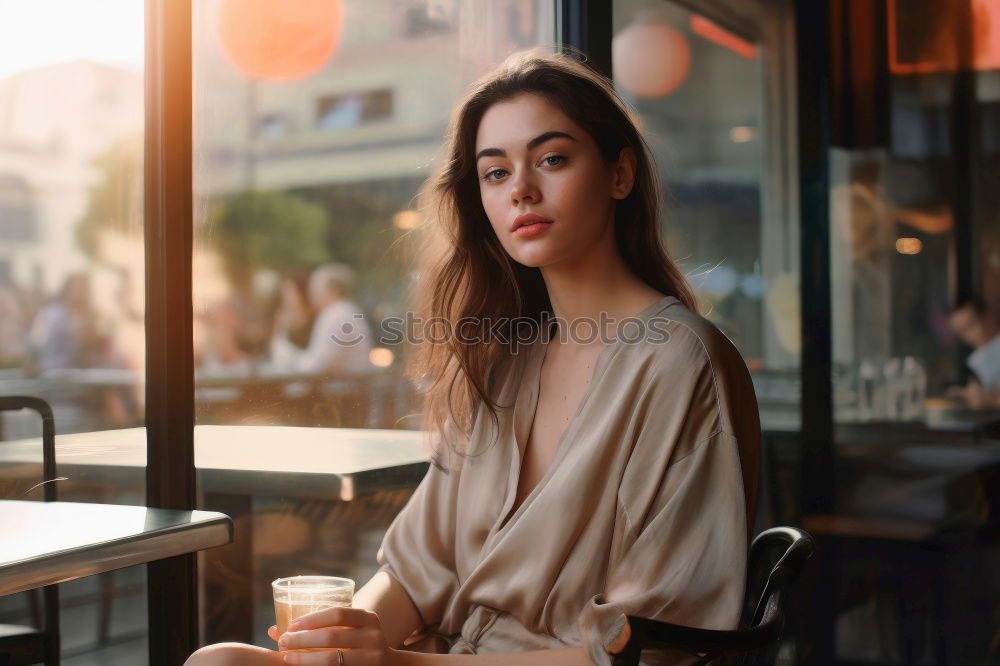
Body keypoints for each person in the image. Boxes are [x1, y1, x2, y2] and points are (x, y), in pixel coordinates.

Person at [186, 51, 760, 666]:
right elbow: (413, 572)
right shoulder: (504, 359)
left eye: (552, 159)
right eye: (495, 173)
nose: (522, 190)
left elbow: (647, 647)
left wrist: (396, 663)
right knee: (219, 660)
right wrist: (347, 642)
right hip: (437, 656)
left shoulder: (682, 362)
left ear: (619, 174)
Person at [948, 296, 1000, 408]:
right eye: (962, 331)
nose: (969, 335)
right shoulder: (976, 359)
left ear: (987, 316)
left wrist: (990, 400)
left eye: (971, 325)